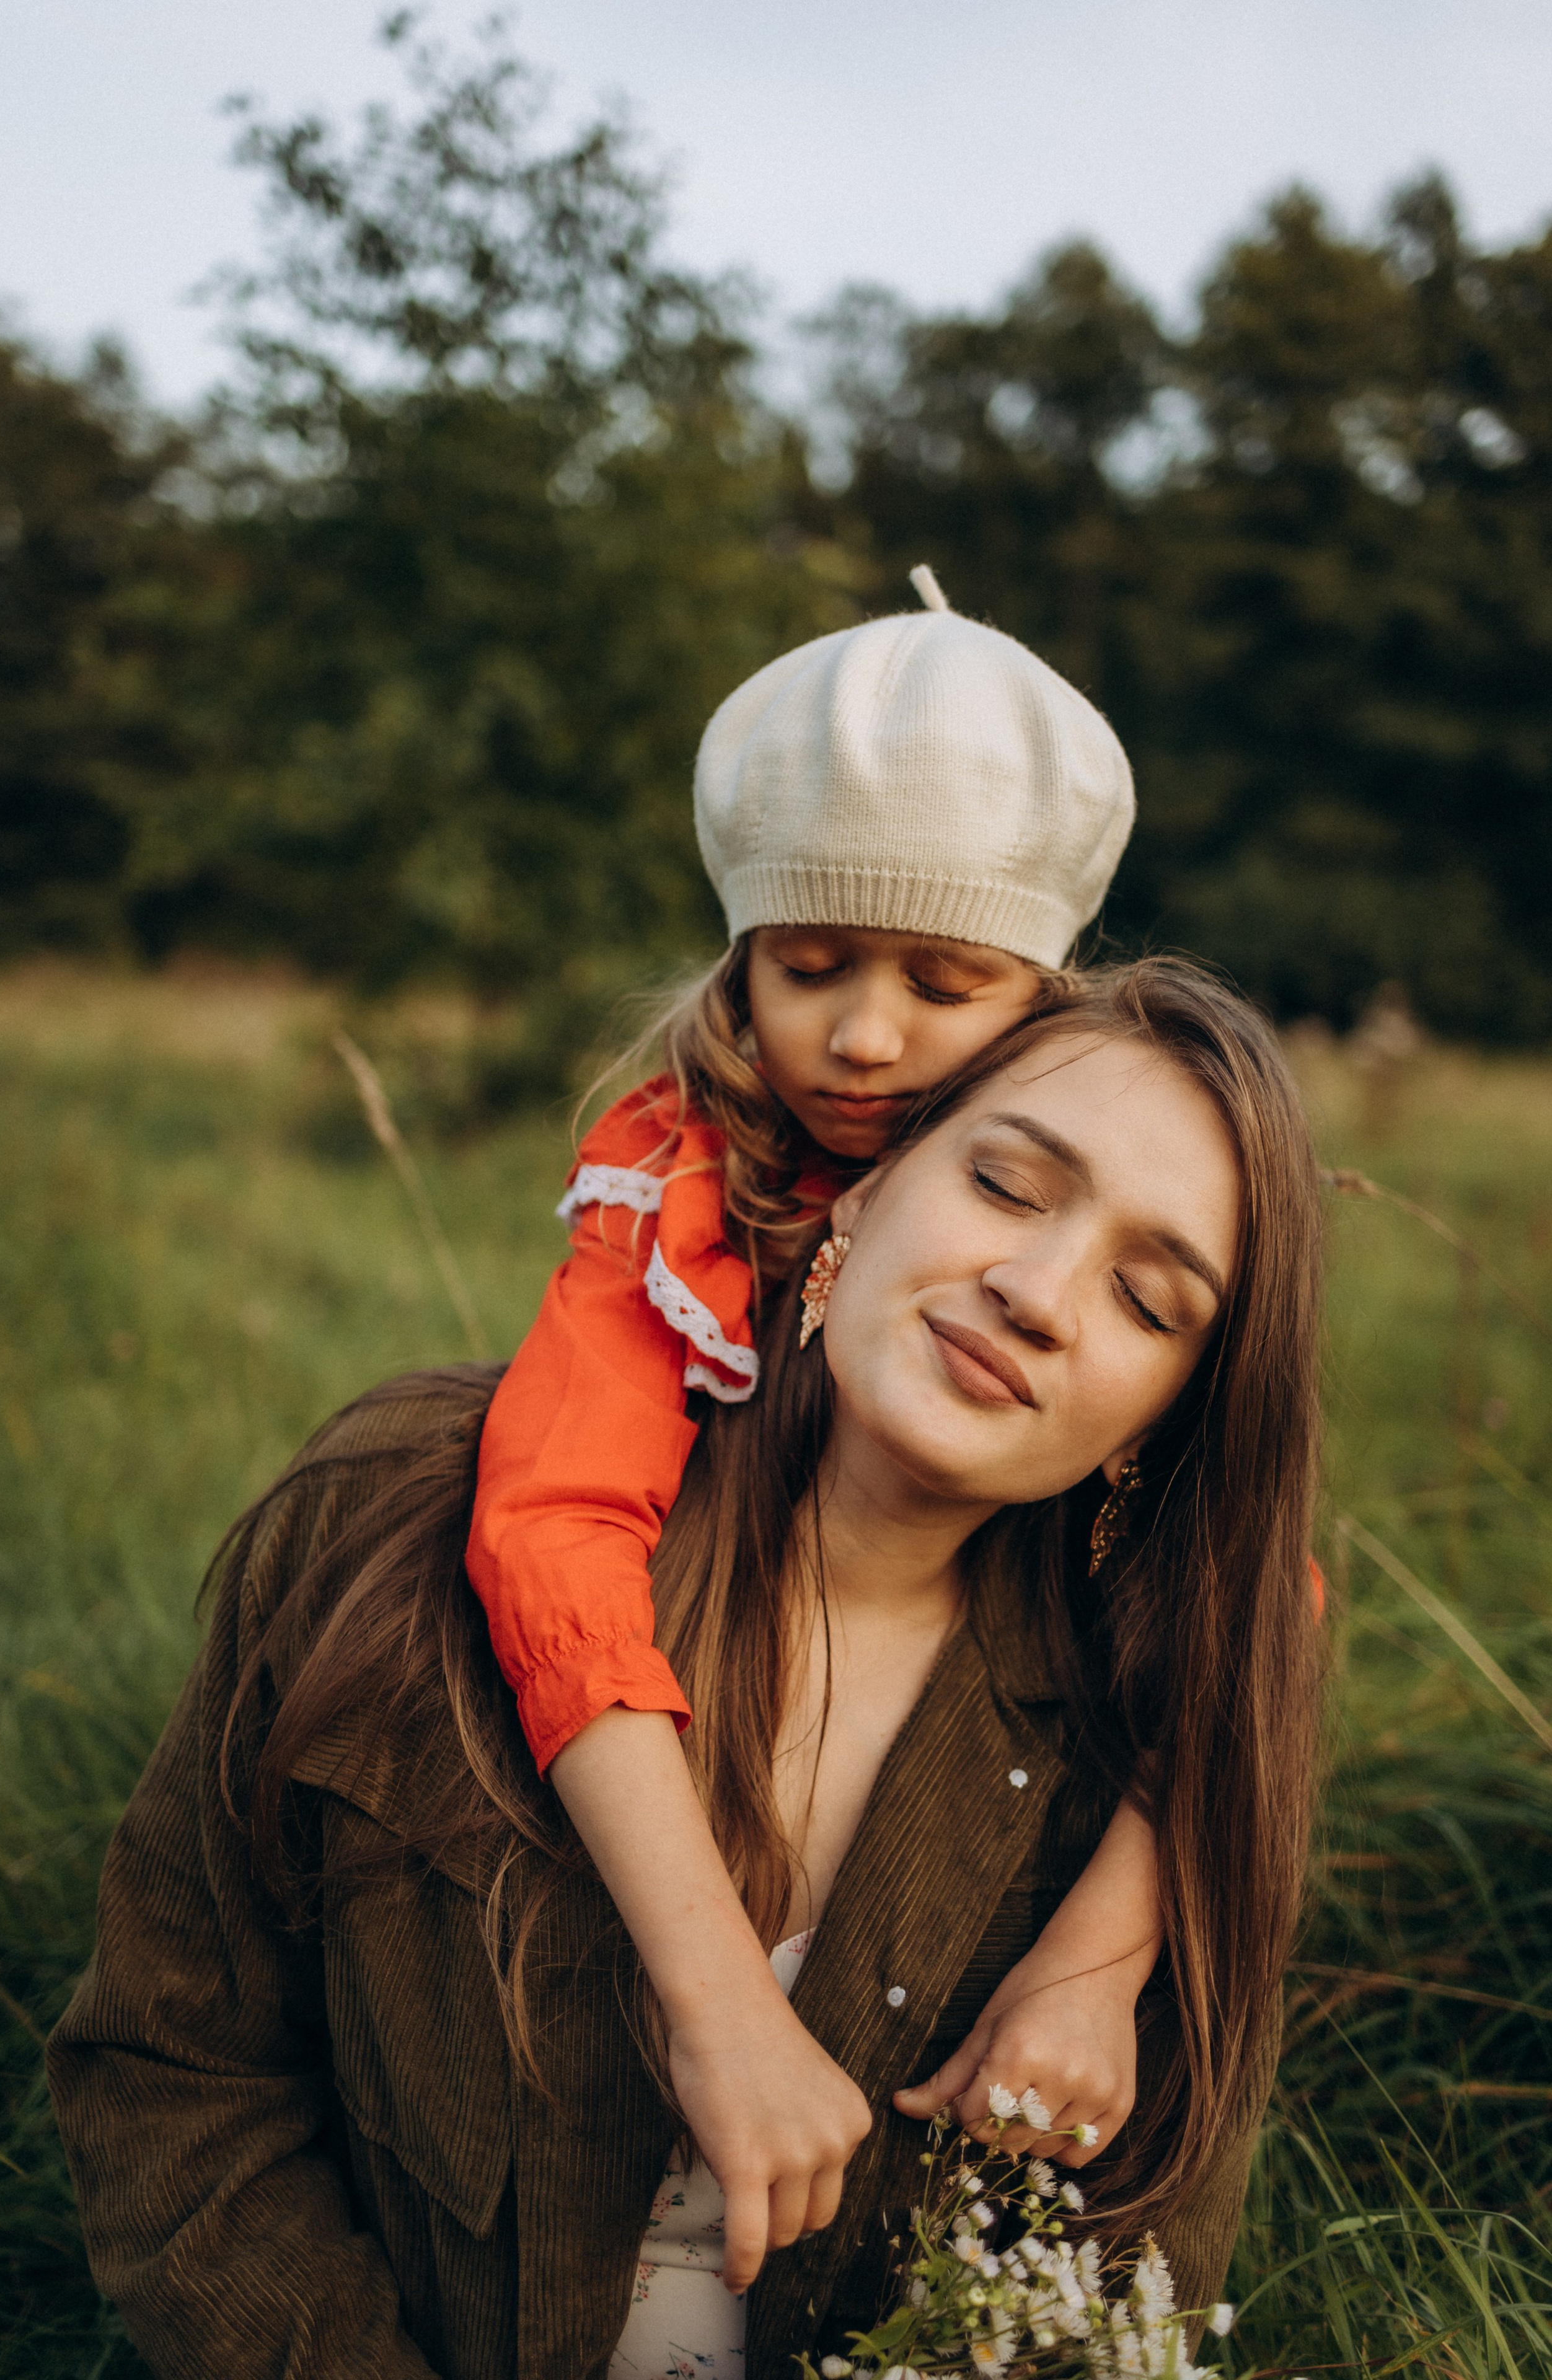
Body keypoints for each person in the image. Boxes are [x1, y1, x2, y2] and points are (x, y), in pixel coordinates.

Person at [48, 959, 1325, 2380]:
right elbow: (176, 2073)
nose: (1034, 1291)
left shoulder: (1152, 1779)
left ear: (1164, 1419)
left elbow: (1116, 2291)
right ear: (861, 1187)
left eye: (1146, 1301)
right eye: (1007, 1187)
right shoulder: (390, 1521)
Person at [464, 571, 1168, 2280]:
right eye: (809, 963)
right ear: (742, 952)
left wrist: (1102, 1959)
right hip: (684, 1810)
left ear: (1049, 992)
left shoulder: (1121, 1238)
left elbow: (1254, 1613)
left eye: (946, 981)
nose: (860, 1037)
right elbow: (555, 1523)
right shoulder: (678, 1189)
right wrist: (711, 1993)